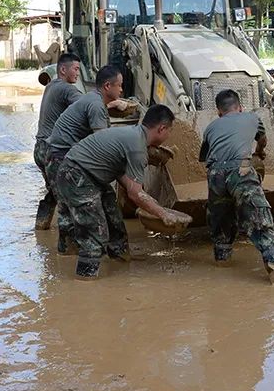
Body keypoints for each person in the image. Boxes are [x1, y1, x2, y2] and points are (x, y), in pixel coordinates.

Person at [56, 105, 187, 279]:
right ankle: (85, 281)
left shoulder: (134, 135)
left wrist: (151, 203)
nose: (169, 135)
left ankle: (120, 257)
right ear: (161, 128)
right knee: (95, 233)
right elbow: (135, 194)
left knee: (113, 215)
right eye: (169, 131)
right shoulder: (137, 147)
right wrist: (163, 214)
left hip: (87, 174)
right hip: (76, 175)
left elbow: (122, 177)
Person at [198, 89, 274, 285]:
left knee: (220, 220)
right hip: (241, 170)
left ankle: (222, 264)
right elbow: (262, 140)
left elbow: (205, 157)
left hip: (215, 174)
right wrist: (259, 151)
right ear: (240, 107)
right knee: (259, 219)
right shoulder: (252, 117)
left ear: (219, 112)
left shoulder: (211, 127)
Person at [45, 65, 125, 255]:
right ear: (107, 86)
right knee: (69, 210)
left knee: (99, 199)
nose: (121, 90)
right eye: (119, 86)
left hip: (65, 154)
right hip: (61, 158)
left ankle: (72, 254)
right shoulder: (96, 105)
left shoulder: (94, 99)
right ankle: (71, 256)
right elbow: (104, 145)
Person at [33, 53, 83, 230]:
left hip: (39, 148)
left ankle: (41, 225)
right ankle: (66, 249)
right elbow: (89, 105)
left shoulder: (51, 86)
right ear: (63, 69)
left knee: (55, 190)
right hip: (51, 151)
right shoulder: (66, 89)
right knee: (65, 196)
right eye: (76, 69)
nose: (78, 73)